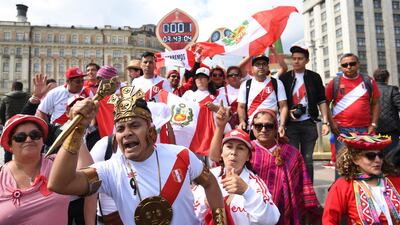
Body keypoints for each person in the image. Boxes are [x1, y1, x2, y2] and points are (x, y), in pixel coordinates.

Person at [48, 86, 227, 225]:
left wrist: (220, 222)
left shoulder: (181, 155)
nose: (126, 133)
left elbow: (210, 182)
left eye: (134, 125)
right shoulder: (110, 170)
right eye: (120, 129)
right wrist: (77, 129)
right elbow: (60, 183)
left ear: (150, 131)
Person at [210, 107, 321, 225]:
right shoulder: (246, 148)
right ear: (252, 127)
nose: (263, 130)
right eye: (258, 126)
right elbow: (216, 157)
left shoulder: (291, 153)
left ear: (276, 127)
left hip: (285, 211)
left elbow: (302, 185)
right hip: (254, 210)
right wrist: (220, 127)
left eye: (269, 126)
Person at [0, 104, 95, 224]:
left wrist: (76, 127)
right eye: (20, 137)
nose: (28, 140)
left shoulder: (57, 163)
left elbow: (90, 174)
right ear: (9, 146)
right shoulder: (1, 177)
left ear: (42, 141)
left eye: (35, 135)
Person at [193, 121, 280, 224]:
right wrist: (205, 203)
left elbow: (272, 219)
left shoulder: (254, 184)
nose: (233, 152)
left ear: (248, 156)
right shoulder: (209, 176)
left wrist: (246, 191)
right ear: (221, 152)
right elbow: (189, 212)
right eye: (229, 147)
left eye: (240, 148)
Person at [322, 133, 400, 224]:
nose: (377, 160)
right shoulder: (343, 186)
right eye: (370, 156)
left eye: (380, 155)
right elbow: (329, 220)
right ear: (355, 159)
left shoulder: (394, 181)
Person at [279, 45, 330, 182]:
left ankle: (309, 192)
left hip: (309, 123)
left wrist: (325, 122)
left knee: (308, 159)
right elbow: (280, 102)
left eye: (300, 59)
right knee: (293, 158)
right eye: (294, 59)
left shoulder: (314, 77)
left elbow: (322, 100)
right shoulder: (285, 78)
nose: (296, 61)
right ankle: (295, 190)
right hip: (291, 125)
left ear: (306, 60)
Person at [326, 53, 381, 160]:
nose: (348, 67)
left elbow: (376, 103)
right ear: (341, 67)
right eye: (344, 65)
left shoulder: (368, 81)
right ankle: (340, 178)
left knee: (365, 162)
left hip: (365, 129)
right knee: (343, 162)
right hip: (342, 130)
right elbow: (325, 104)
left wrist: (373, 124)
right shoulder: (334, 83)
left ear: (358, 64)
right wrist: (331, 123)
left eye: (352, 63)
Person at [237, 55, 288, 137]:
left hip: (272, 126)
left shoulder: (277, 83)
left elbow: (283, 106)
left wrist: (282, 125)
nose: (261, 67)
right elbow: (241, 107)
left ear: (267, 68)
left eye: (264, 64)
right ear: (252, 69)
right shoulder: (246, 84)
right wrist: (242, 121)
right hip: (252, 127)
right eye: (257, 64)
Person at [0, 81, 29, 163]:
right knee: (24, 144)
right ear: (21, 88)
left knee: (8, 145)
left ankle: (7, 164)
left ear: (13, 88)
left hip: (10, 124)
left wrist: (4, 123)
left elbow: (1, 112)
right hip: (24, 123)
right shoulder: (27, 97)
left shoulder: (6, 98)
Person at [373, 68, 400, 155]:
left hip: (374, 130)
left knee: (376, 156)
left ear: (374, 78)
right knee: (392, 157)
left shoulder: (369, 92)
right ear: (387, 78)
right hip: (391, 130)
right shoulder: (392, 90)